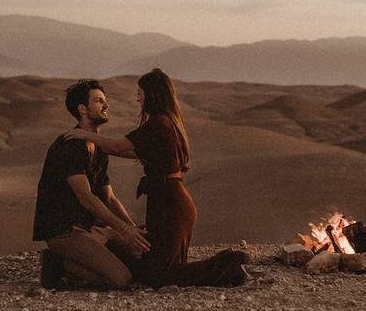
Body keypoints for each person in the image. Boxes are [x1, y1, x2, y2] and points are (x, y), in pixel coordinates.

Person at [65, 68, 249, 288]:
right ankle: (228, 261)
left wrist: (85, 135)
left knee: (159, 276)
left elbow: (119, 146)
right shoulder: (165, 122)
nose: (138, 97)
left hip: (170, 205)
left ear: (152, 94)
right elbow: (129, 152)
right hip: (167, 201)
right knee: (159, 269)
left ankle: (228, 265)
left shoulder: (158, 123)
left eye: (140, 92)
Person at [32, 79, 150, 289]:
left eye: (105, 100)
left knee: (142, 257)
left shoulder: (98, 147)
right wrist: (123, 228)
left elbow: (109, 197)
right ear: (82, 109)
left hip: (94, 228)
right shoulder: (68, 148)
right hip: (66, 231)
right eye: (98, 101)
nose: (106, 105)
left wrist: (131, 229)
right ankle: (58, 263)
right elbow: (86, 198)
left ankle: (88, 257)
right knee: (121, 279)